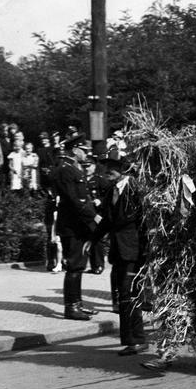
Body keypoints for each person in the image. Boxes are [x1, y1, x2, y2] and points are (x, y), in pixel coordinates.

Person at [88, 147, 148, 355]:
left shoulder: (135, 189)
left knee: (129, 294)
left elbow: (140, 220)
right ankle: (130, 340)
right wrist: (93, 240)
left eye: (112, 167)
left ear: (123, 168)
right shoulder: (112, 190)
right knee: (123, 295)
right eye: (107, 167)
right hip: (119, 251)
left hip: (133, 250)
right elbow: (106, 219)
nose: (108, 171)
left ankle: (138, 339)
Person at [50, 132, 101, 320]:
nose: (85, 152)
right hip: (72, 225)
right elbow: (76, 200)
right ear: (74, 150)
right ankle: (71, 307)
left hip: (77, 225)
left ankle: (77, 303)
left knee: (78, 265)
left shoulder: (73, 168)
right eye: (82, 149)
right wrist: (94, 218)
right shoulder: (66, 169)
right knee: (74, 266)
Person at [85, 152, 111, 274]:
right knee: (88, 238)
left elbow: (109, 195)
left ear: (94, 166)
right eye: (84, 166)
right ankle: (92, 265)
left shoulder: (100, 180)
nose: (86, 168)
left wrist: (100, 200)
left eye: (89, 165)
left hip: (97, 214)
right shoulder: (81, 179)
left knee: (97, 240)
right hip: (86, 214)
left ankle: (99, 265)